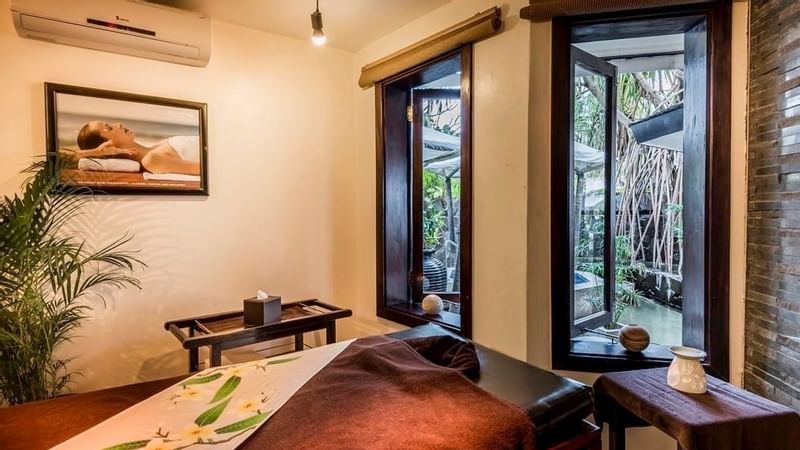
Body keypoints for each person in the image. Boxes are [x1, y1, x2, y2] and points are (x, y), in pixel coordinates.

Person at [75, 121, 200, 175]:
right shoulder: (151, 160)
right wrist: (95, 152)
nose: (118, 124)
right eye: (109, 128)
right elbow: (205, 170)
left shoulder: (155, 146)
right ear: (107, 145)